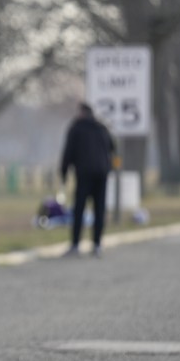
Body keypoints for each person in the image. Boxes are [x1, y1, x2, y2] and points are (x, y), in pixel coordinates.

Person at [60, 101, 116, 257]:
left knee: (79, 208)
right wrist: (108, 167)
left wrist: (64, 173)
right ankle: (97, 244)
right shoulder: (102, 128)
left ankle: (75, 244)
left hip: (84, 173)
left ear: (81, 112)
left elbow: (68, 152)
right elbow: (112, 148)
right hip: (102, 174)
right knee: (99, 209)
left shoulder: (76, 128)